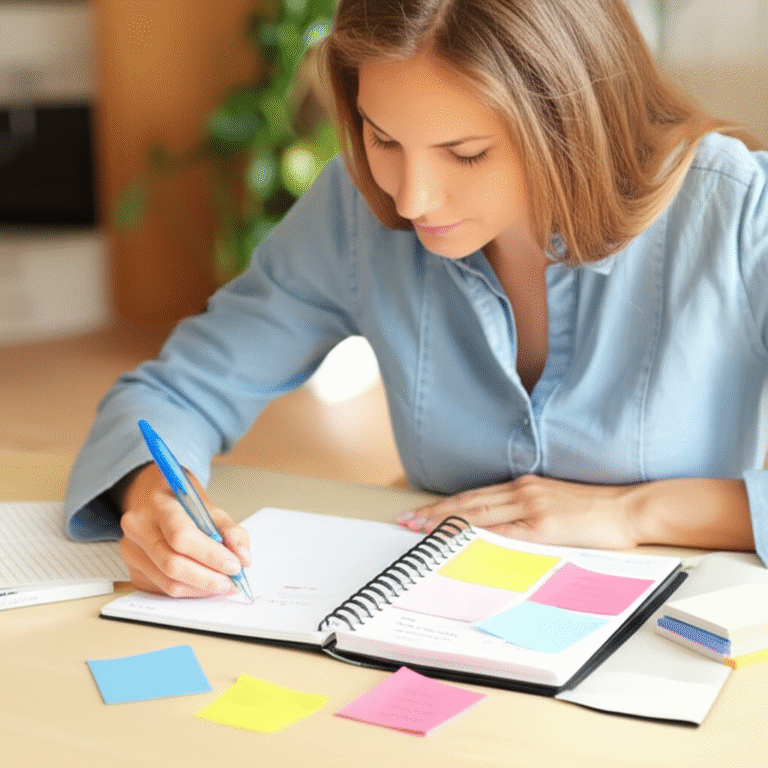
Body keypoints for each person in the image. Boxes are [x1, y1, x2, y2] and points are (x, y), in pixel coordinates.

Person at [65, 0, 768, 598]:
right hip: (435, 622)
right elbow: (176, 393)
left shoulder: (736, 211)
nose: (411, 197)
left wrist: (634, 514)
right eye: (383, 138)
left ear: (571, 122)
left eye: (465, 154)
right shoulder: (353, 208)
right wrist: (156, 499)